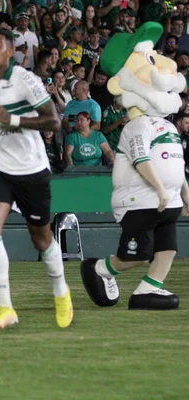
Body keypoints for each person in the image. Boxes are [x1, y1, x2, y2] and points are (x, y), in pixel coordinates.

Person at [0, 28, 73, 330]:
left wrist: (11, 119)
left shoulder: (26, 80)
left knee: (41, 238)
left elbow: (54, 120)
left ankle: (61, 291)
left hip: (32, 168)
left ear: (11, 50)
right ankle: (5, 308)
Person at [81, 22, 189, 311]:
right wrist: (158, 189)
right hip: (140, 201)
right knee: (137, 255)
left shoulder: (168, 125)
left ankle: (147, 290)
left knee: (168, 249)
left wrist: (184, 194)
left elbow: (177, 164)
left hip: (168, 201)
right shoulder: (137, 126)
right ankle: (99, 270)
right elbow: (141, 159)